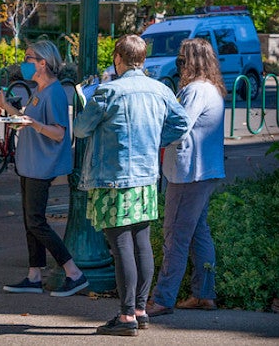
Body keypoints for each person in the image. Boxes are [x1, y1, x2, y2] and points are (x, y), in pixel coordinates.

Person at [74, 34, 190, 336]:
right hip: (147, 175)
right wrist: (155, 142)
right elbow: (182, 124)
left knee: (121, 244)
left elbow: (82, 129)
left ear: (117, 58)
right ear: (143, 59)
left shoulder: (108, 90)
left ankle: (126, 317)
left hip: (114, 177)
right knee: (141, 243)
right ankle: (140, 309)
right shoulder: (160, 89)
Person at [0, 41, 88, 297]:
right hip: (30, 164)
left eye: (28, 58)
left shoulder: (55, 93)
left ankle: (73, 272)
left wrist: (33, 124)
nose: (24, 63)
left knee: (36, 221)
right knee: (30, 221)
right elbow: (30, 121)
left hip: (41, 166)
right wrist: (7, 108)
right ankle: (34, 275)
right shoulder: (40, 90)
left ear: (42, 62)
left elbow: (58, 133)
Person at [147, 38, 226, 316]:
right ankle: (204, 294)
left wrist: (150, 137)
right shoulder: (212, 88)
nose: (178, 62)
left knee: (176, 237)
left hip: (188, 173)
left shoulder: (194, 90)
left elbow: (178, 127)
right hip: (205, 171)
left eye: (182, 57)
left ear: (190, 61)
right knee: (198, 234)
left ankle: (162, 299)